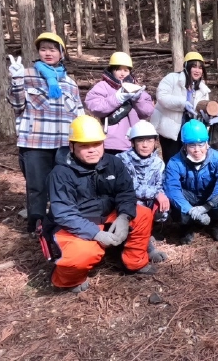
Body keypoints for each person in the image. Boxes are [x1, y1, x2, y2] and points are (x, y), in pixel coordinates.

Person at [47, 115, 155, 293]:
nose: (92, 150)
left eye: (96, 144)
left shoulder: (113, 162)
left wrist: (124, 216)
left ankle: (134, 262)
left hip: (108, 214)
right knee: (81, 255)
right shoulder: (61, 173)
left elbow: (126, 192)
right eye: (84, 146)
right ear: (72, 146)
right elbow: (64, 213)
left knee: (143, 214)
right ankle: (66, 281)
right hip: (78, 222)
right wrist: (95, 233)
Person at [7, 32, 85, 234]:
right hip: (35, 142)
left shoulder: (69, 83)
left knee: (63, 185)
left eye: (52, 49)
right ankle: (36, 224)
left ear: (61, 53)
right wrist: (15, 79)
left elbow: (78, 113)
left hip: (62, 144)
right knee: (37, 187)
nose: (48, 53)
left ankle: (60, 222)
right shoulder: (27, 75)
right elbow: (17, 105)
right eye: (43, 49)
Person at [163, 120, 218, 244]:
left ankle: (215, 226)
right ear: (184, 146)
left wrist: (208, 206)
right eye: (192, 145)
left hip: (208, 196)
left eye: (201, 144)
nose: (197, 150)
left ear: (207, 144)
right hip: (188, 197)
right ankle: (185, 228)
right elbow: (172, 189)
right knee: (175, 202)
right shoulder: (174, 162)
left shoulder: (217, 158)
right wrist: (190, 210)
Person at [116, 120, 170, 263]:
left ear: (155, 143)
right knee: (138, 208)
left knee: (163, 207)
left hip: (148, 202)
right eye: (140, 140)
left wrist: (161, 196)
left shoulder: (158, 163)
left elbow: (159, 185)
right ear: (132, 142)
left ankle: (146, 232)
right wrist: (156, 194)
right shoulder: (121, 160)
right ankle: (146, 247)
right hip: (126, 203)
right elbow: (128, 188)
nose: (145, 145)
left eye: (149, 140)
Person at [84, 52, 154, 155]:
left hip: (134, 140)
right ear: (112, 70)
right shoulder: (102, 86)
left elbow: (148, 111)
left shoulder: (136, 87)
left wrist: (137, 99)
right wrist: (117, 98)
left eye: (126, 70)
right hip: (112, 142)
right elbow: (95, 107)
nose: (122, 73)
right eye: (118, 69)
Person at [151, 52, 211, 163]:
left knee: (189, 161)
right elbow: (161, 97)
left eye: (200, 68)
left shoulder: (203, 89)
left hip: (190, 129)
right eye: (194, 66)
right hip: (170, 129)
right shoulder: (172, 78)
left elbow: (202, 106)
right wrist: (183, 103)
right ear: (186, 66)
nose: (197, 71)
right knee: (172, 160)